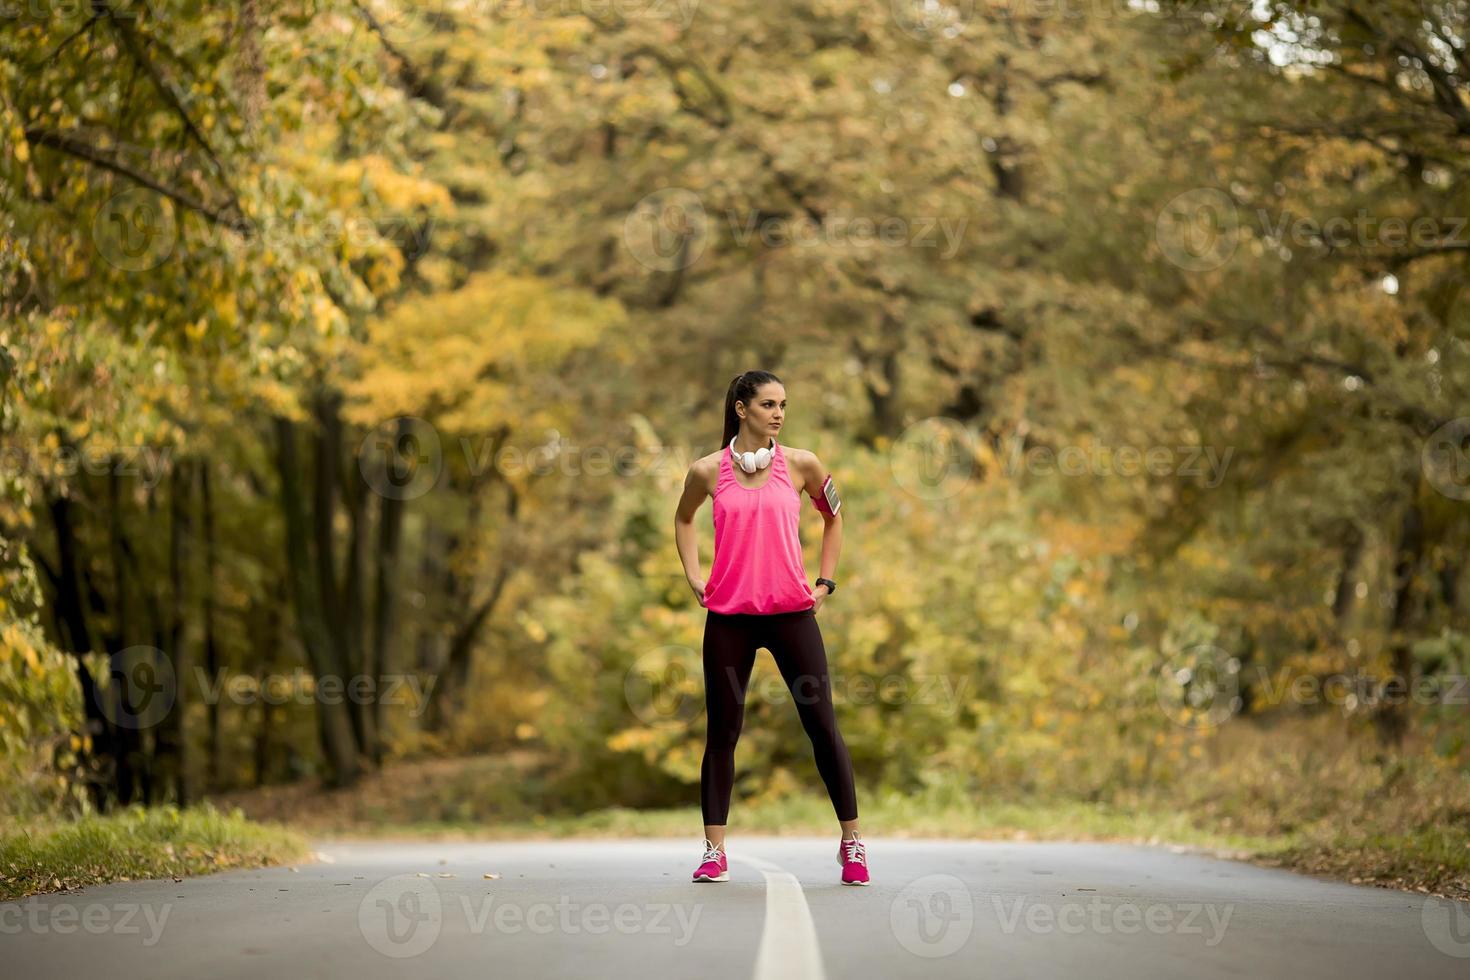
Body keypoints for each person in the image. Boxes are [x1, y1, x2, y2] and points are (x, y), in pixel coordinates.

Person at [673, 370, 869, 886]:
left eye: (783, 403)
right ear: (741, 409)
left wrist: (825, 581)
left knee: (822, 726)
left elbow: (834, 517)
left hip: (791, 616)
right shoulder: (706, 471)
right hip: (730, 618)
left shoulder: (803, 465)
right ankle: (714, 851)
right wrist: (695, 577)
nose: (779, 412)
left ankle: (852, 843)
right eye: (767, 404)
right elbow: (684, 519)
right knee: (722, 734)